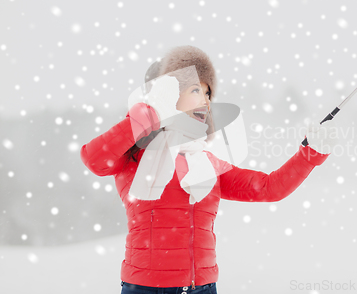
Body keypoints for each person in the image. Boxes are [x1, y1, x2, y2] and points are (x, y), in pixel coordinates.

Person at [80, 45, 336, 294]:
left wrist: (310, 153)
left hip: (202, 288)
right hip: (145, 288)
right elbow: (94, 159)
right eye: (195, 90)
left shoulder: (206, 163)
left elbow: (269, 188)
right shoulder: (135, 156)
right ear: (170, 94)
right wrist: (150, 113)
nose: (204, 101)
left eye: (208, 94)